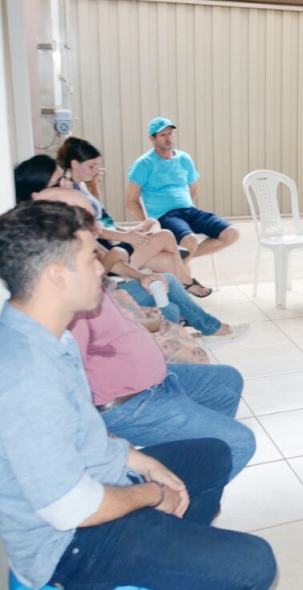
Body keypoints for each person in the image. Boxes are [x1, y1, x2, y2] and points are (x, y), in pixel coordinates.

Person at [0, 201, 276, 590]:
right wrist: (150, 493)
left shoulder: (49, 336)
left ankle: (169, 556)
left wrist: (138, 460)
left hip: (100, 480)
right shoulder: (26, 373)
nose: (101, 267)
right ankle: (160, 553)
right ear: (57, 277)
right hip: (70, 547)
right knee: (254, 562)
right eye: (89, 258)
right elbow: (71, 508)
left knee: (213, 453)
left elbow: (82, 432)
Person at [18, 175, 249, 345]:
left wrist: (142, 275)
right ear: (38, 195)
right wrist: (121, 248)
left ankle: (203, 327)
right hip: (103, 295)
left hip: (109, 285)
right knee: (169, 291)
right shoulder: (51, 243)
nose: (69, 183)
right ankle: (207, 324)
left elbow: (105, 257)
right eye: (61, 181)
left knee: (167, 276)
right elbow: (103, 269)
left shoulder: (75, 230)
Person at [69, 287, 256, 481]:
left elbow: (111, 328)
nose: (100, 265)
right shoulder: (69, 306)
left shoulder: (91, 289)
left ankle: (202, 461)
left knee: (226, 380)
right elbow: (70, 380)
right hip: (129, 404)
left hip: (157, 381)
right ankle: (186, 500)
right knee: (238, 442)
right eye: (91, 259)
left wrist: (146, 322)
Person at [58, 136, 210, 297]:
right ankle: (187, 281)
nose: (96, 169)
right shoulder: (70, 193)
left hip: (113, 239)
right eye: (92, 166)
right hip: (110, 251)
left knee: (167, 254)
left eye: (97, 165)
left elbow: (101, 216)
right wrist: (126, 236)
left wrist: (127, 230)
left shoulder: (80, 186)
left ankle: (182, 293)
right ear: (74, 164)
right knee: (166, 236)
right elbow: (93, 229)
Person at [126, 117, 240, 278]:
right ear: (152, 138)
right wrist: (152, 225)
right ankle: (185, 278)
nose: (168, 138)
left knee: (231, 233)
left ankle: (179, 261)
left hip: (189, 211)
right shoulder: (144, 164)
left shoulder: (184, 158)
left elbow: (194, 190)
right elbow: (131, 202)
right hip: (165, 216)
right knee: (189, 241)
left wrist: (187, 211)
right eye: (163, 135)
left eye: (170, 133)